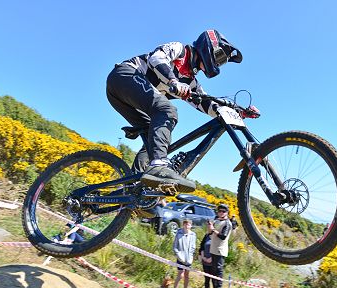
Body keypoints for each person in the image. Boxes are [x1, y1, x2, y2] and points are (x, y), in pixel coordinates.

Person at [106, 30, 258, 193]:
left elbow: (207, 105)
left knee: (156, 136)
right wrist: (173, 80)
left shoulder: (191, 82)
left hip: (127, 98)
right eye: (219, 57)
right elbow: (156, 58)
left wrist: (239, 112)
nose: (218, 63)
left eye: (221, 62)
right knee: (167, 111)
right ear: (209, 47)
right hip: (124, 75)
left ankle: (134, 191)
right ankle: (159, 167)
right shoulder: (180, 50)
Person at [207, 203, 233, 288]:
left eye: (223, 211)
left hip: (220, 250)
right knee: (213, 271)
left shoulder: (227, 223)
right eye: (219, 211)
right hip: (213, 248)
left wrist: (213, 230)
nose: (221, 213)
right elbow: (210, 234)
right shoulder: (216, 220)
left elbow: (223, 236)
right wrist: (210, 228)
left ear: (227, 212)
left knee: (218, 270)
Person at [170, 219, 196, 288]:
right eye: (185, 224)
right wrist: (179, 256)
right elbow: (175, 246)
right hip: (180, 257)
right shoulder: (179, 234)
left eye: (188, 224)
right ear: (183, 225)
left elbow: (193, 247)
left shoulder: (193, 235)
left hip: (189, 259)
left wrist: (190, 258)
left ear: (191, 226)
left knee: (187, 275)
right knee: (180, 275)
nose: (186, 226)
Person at [198, 224, 213, 288]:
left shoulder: (216, 236)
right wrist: (203, 257)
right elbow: (202, 247)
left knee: (214, 278)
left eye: (210, 225)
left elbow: (218, 248)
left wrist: (212, 258)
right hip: (205, 261)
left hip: (213, 261)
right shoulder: (206, 236)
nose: (209, 227)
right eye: (208, 226)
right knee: (207, 279)